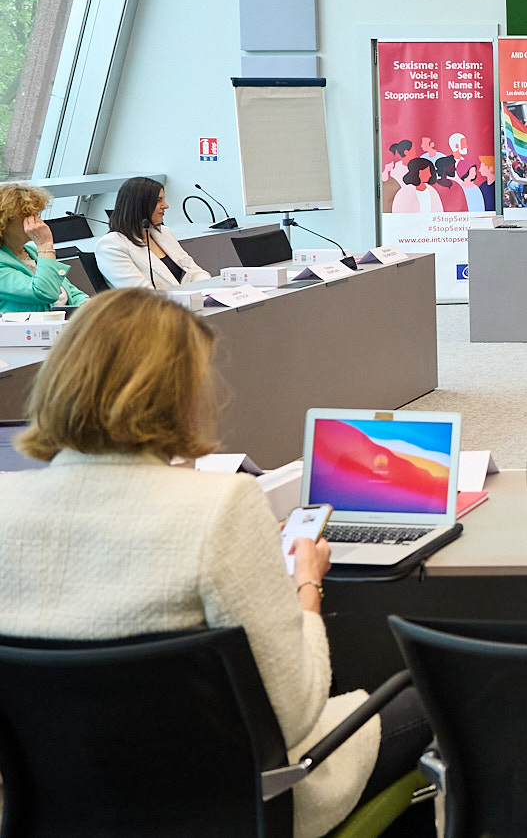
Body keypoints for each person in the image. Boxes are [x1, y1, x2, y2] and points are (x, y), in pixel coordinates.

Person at [0, 290, 432, 837]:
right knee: (428, 701)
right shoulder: (220, 506)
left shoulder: (5, 504)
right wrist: (307, 585)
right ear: (179, 392)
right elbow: (295, 713)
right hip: (244, 805)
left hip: (65, 807)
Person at [95, 176, 206, 289]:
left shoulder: (164, 232)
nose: (166, 205)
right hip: (158, 301)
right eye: (158, 200)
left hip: (189, 298)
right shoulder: (111, 245)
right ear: (139, 204)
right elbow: (142, 293)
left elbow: (196, 272)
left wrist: (205, 291)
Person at [0, 184, 87, 313]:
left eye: (37, 214)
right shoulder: (42, 250)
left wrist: (91, 306)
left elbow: (71, 292)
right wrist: (45, 245)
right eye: (28, 215)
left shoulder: (32, 252)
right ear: (4, 221)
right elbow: (44, 292)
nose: (38, 222)